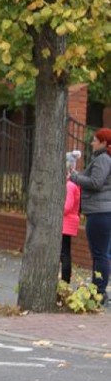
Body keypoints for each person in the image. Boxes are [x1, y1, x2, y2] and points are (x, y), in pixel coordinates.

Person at [69, 128, 111, 305]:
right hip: (102, 211)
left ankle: (99, 291)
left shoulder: (102, 159)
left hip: (99, 212)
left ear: (103, 143)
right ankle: (98, 288)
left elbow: (95, 182)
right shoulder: (103, 158)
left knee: (99, 253)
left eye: (95, 140)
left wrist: (75, 177)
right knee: (102, 253)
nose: (92, 143)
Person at [61, 150, 82, 284]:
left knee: (64, 254)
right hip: (69, 222)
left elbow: (67, 207)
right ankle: (65, 280)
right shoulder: (74, 184)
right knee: (65, 253)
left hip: (66, 223)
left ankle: (65, 280)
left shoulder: (69, 185)